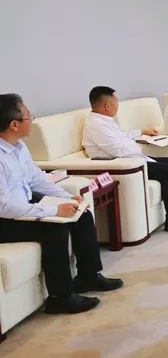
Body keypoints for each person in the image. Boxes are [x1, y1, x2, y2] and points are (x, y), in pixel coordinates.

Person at [0, 94, 123, 314]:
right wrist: (54, 211)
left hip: (22, 205)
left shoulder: (18, 146)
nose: (32, 120)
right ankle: (60, 297)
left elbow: (36, 179)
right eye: (29, 116)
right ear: (14, 125)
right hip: (5, 218)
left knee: (81, 213)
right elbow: (5, 206)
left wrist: (66, 198)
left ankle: (88, 276)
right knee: (55, 229)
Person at [82, 86, 168, 233]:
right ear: (108, 106)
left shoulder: (105, 120)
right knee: (167, 170)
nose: (117, 105)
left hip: (136, 158)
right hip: (127, 163)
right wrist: (140, 151)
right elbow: (118, 149)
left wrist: (141, 132)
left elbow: (123, 136)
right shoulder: (96, 125)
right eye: (116, 102)